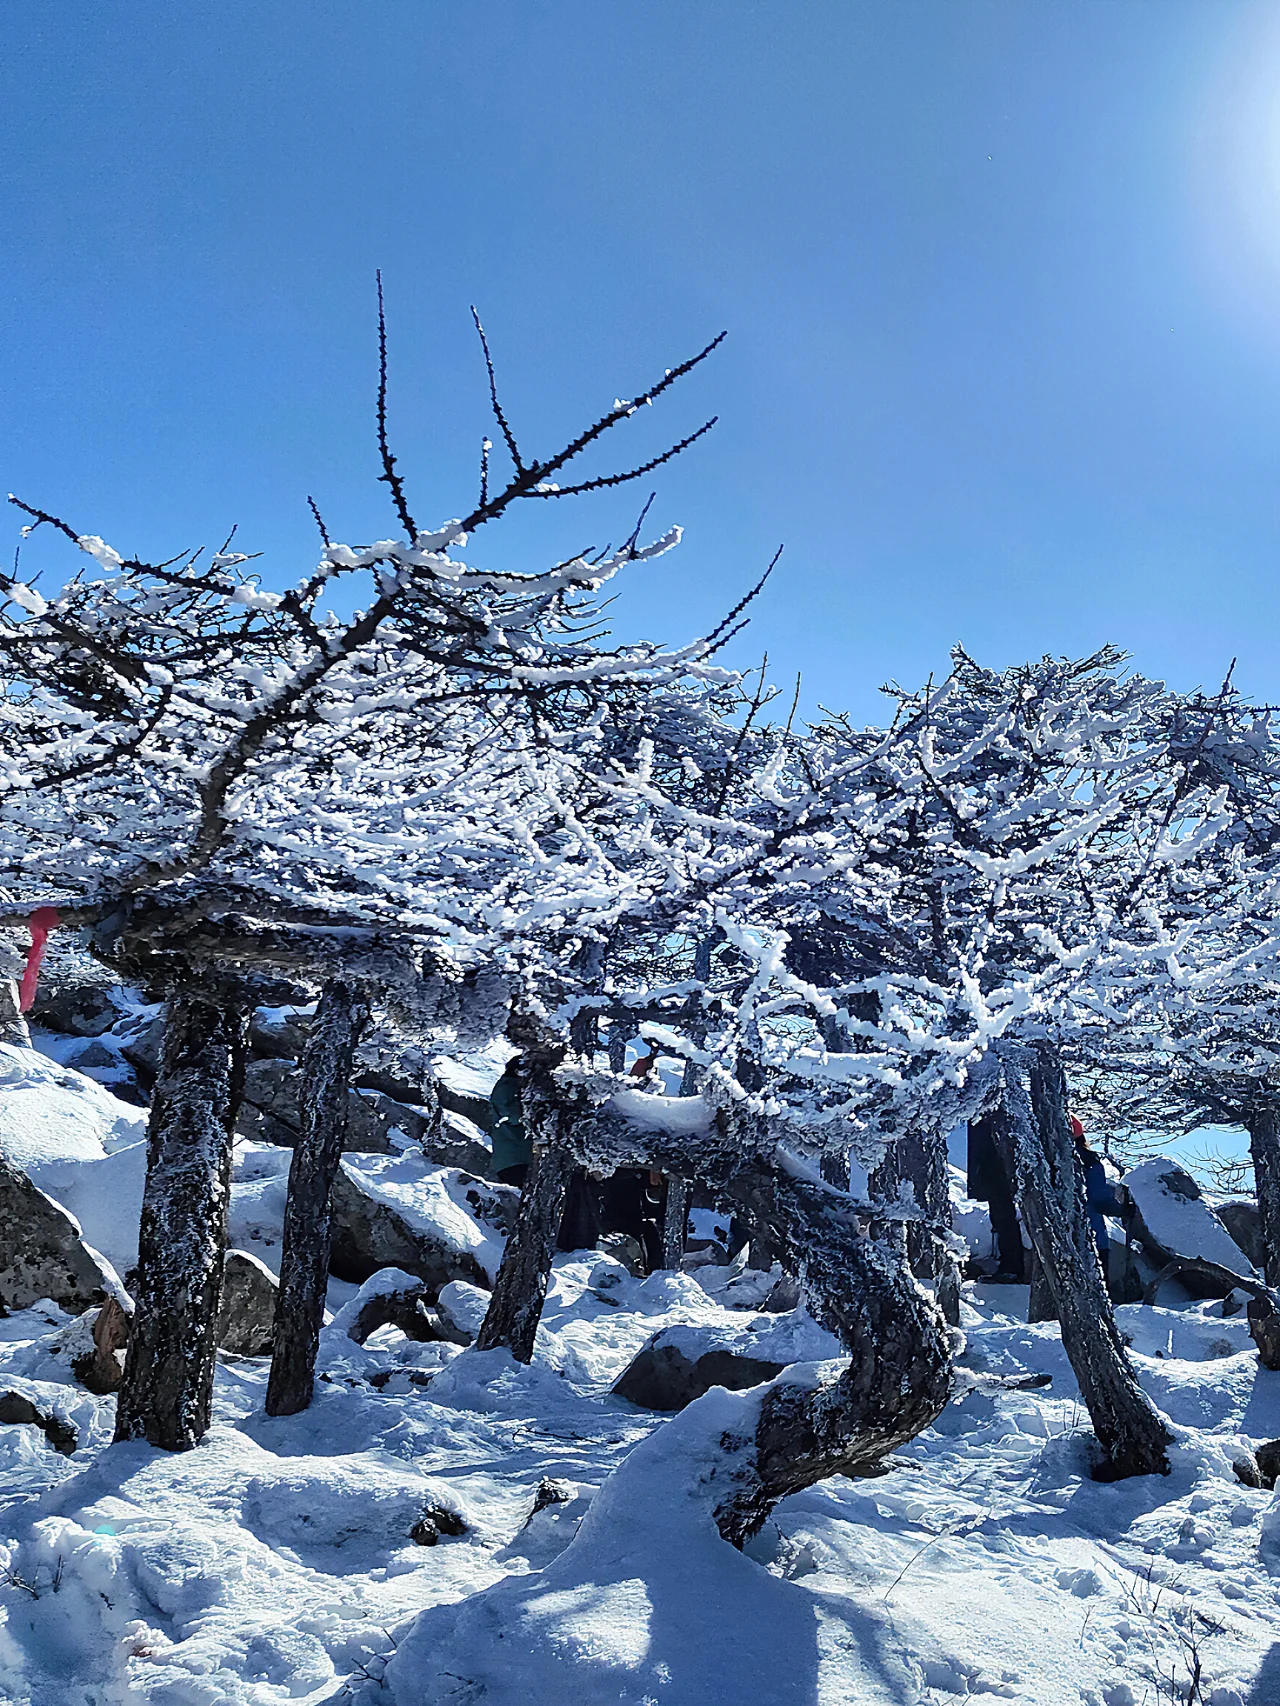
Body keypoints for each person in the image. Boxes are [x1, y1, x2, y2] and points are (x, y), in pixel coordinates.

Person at [1072, 1116, 1125, 1271]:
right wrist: (1123, 1210)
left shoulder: (1044, 1159)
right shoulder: (1089, 1161)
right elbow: (1100, 1199)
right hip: (1092, 1238)